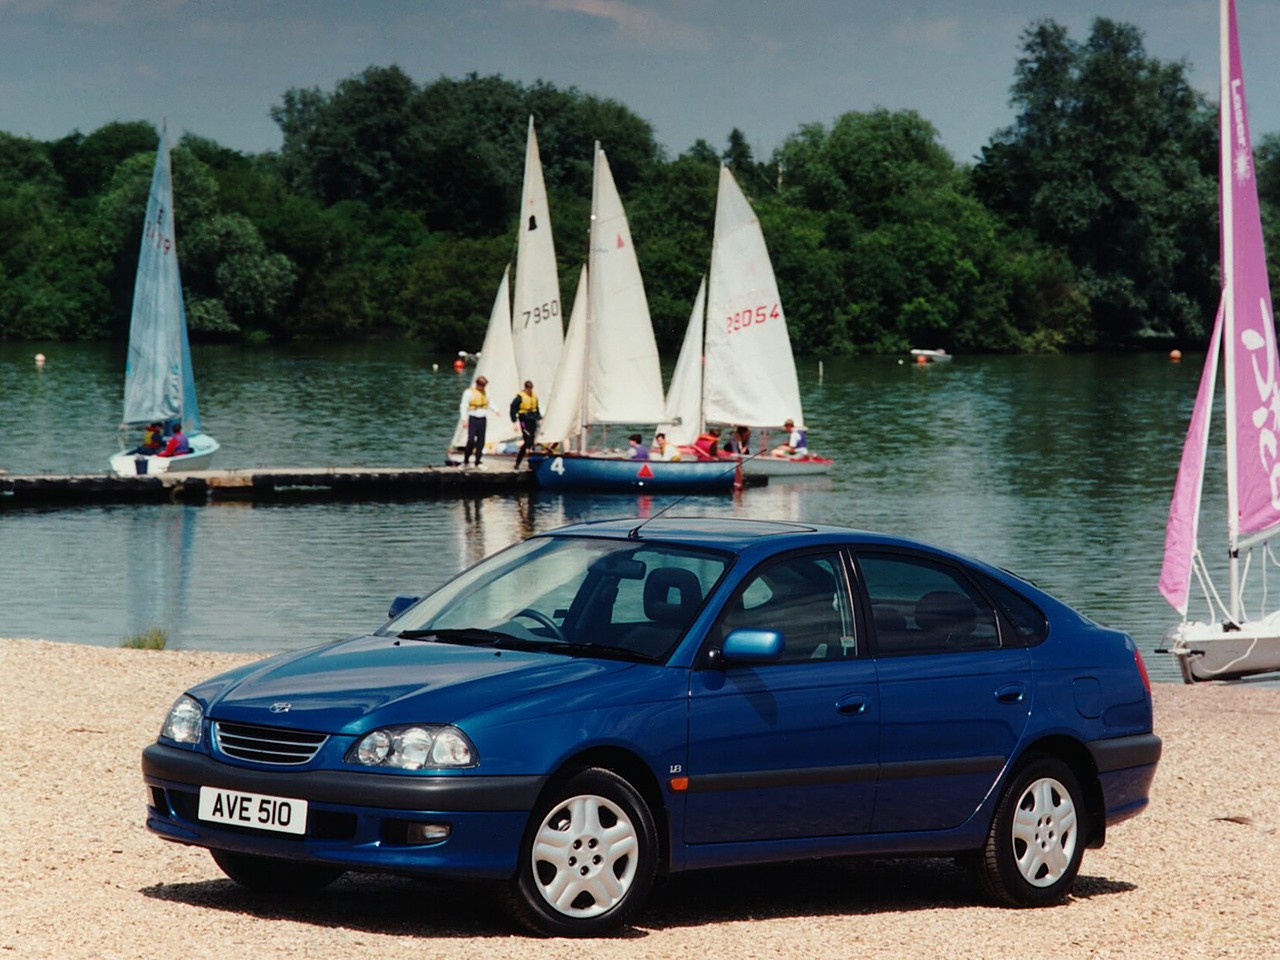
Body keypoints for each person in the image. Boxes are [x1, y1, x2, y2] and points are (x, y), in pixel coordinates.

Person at [459, 375, 501, 467]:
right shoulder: (469, 392)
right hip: (473, 418)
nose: (483, 388)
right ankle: (466, 460)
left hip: (482, 419)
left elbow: (490, 402)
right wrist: (464, 419)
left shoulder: (486, 392)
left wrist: (496, 410)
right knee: (471, 440)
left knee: (481, 441)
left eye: (484, 386)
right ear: (477, 384)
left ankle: (478, 461)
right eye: (481, 386)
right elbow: (463, 406)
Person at [510, 381, 541, 470]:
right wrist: (514, 422)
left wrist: (539, 418)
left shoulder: (534, 396)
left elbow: (536, 408)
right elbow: (513, 409)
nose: (530, 391)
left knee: (532, 441)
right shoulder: (519, 398)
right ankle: (518, 462)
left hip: (532, 419)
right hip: (524, 420)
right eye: (528, 389)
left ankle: (531, 464)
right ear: (526, 388)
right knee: (527, 440)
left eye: (531, 389)